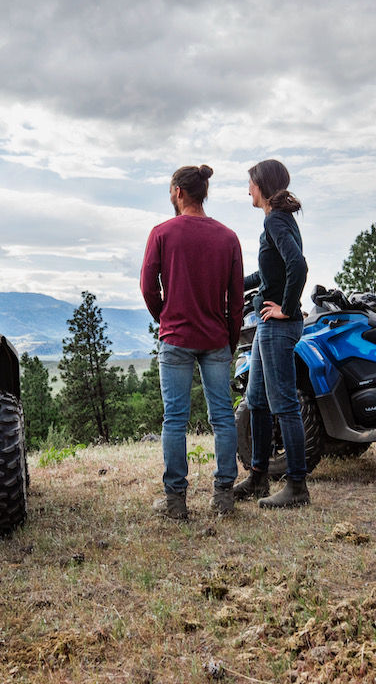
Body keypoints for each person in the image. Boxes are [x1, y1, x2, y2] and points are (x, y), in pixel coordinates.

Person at [140, 164, 245, 519]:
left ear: (179, 192)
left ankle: (176, 502)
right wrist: (229, 339)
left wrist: (165, 317)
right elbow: (236, 298)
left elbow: (146, 287)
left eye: (170, 190)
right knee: (223, 418)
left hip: (177, 338)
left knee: (175, 420)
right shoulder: (228, 237)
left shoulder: (162, 233)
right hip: (216, 338)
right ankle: (223, 496)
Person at [231, 159, 311, 508]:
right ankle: (259, 479)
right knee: (258, 402)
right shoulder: (276, 221)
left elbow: (298, 265)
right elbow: (268, 278)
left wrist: (287, 308)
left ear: (262, 185)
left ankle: (297, 487)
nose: (247, 190)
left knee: (285, 406)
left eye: (250, 183)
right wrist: (229, 284)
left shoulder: (276, 220)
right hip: (268, 323)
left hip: (278, 324)